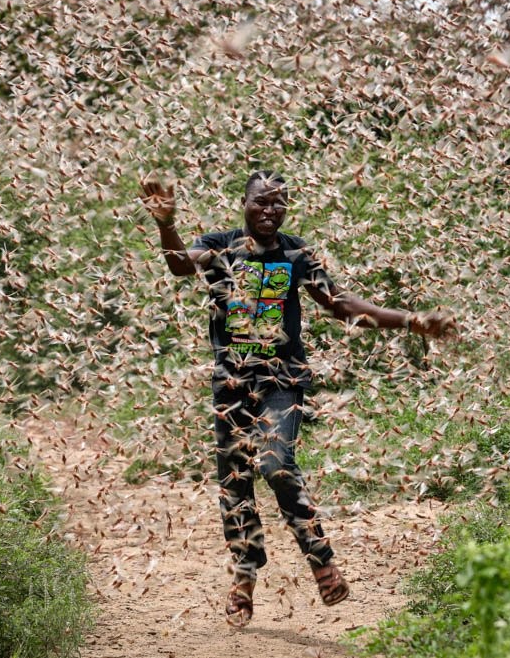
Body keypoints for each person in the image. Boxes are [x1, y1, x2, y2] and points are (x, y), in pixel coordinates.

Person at [139, 169, 454, 628]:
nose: (269, 210)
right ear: (243, 204)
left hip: (282, 380)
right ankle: (244, 579)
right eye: (261, 202)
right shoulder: (221, 244)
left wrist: (409, 320)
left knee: (275, 464)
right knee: (235, 482)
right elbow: (180, 264)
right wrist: (166, 223)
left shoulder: (297, 253)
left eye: (278, 203)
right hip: (231, 384)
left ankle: (321, 560)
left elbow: (342, 306)